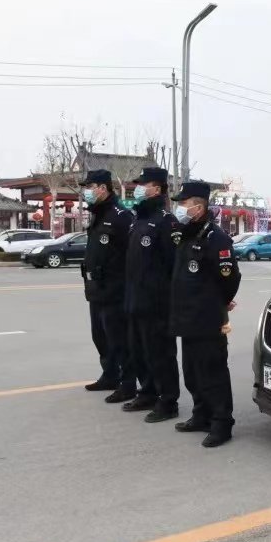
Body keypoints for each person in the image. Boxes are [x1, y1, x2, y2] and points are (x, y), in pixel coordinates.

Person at [169, 181, 241, 448]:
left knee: (213, 371)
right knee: (192, 371)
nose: (180, 208)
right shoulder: (187, 233)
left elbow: (230, 277)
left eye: (184, 203)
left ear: (198, 207)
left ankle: (222, 423)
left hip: (208, 318)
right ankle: (201, 415)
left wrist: (221, 302)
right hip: (187, 317)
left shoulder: (216, 238)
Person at [120, 167, 183, 423]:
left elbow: (174, 265)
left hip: (156, 303)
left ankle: (168, 401)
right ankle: (147, 392)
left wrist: (168, 300)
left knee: (161, 354)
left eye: (143, 184)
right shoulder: (139, 219)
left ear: (156, 189)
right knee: (139, 351)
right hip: (135, 299)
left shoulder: (166, 222)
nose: (138, 189)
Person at [79, 169, 137, 402]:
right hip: (96, 288)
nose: (87, 192)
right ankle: (110, 375)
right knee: (100, 336)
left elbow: (131, 254)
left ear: (103, 188)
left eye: (90, 187)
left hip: (115, 289)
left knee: (119, 339)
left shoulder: (121, 216)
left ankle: (128, 383)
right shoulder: (97, 214)